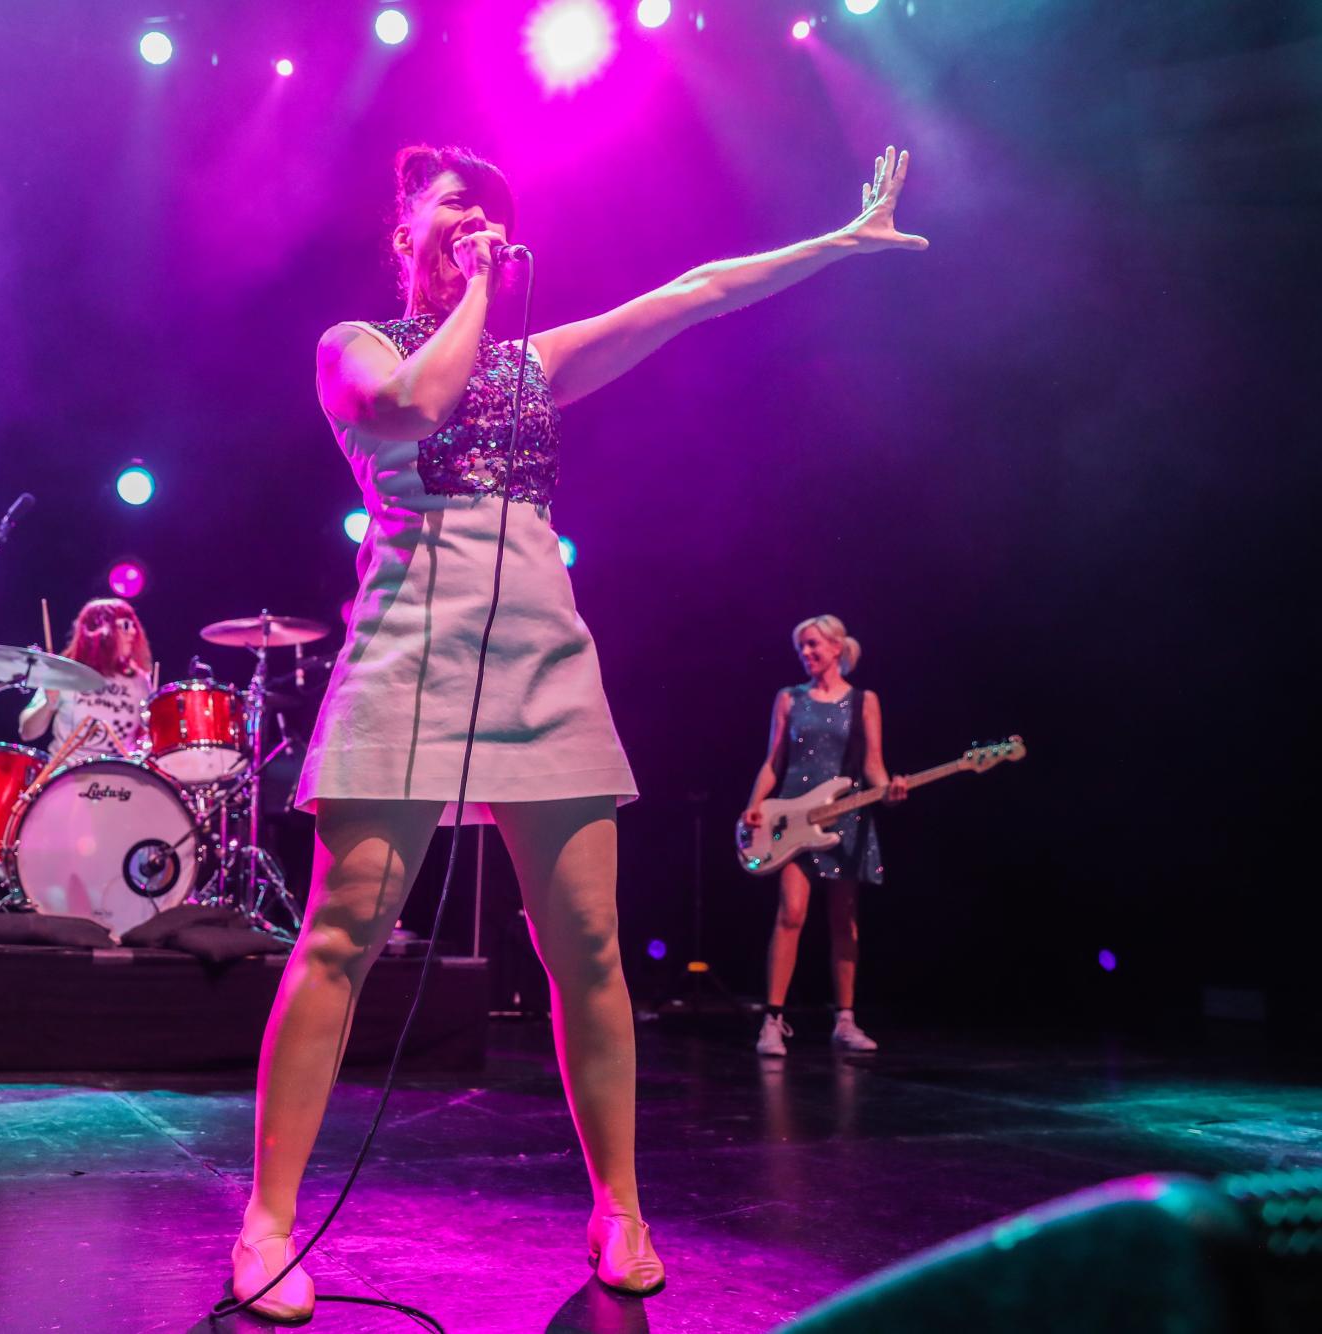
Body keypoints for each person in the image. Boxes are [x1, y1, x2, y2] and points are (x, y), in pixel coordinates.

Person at [232, 143, 928, 1322]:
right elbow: (413, 406)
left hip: (542, 659)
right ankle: (266, 1221)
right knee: (342, 934)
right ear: (403, 235)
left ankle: (619, 1206)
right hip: (406, 650)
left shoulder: (534, 362)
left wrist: (834, 244)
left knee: (589, 949)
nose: (475, 223)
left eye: (491, 215)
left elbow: (693, 293)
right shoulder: (354, 346)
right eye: (452, 209)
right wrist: (482, 297)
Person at [742, 615, 907, 1058]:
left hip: (846, 819)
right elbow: (774, 760)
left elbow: (873, 764)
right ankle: (772, 1020)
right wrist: (756, 802)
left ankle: (845, 1020)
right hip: (793, 817)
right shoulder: (789, 698)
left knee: (843, 919)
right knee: (791, 912)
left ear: (837, 647)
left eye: (814, 645)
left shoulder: (863, 701)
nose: (807, 654)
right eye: (802, 649)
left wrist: (888, 790)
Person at [16, 598, 152, 761]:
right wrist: (49, 704)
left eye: (134, 626)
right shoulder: (63, 673)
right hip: (67, 775)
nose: (133, 632)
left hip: (119, 778)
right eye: (125, 625)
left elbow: (146, 737)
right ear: (101, 630)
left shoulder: (140, 680)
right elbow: (27, 733)